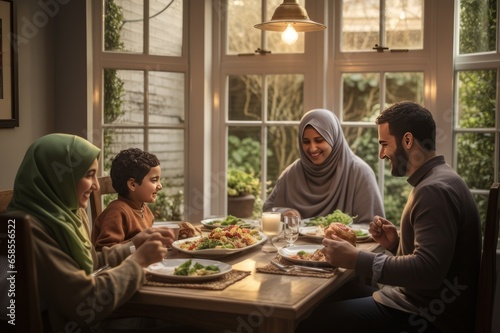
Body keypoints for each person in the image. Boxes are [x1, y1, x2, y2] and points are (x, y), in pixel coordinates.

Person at [296, 101, 481, 333]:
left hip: (428, 316)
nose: (381, 154)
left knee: (313, 322)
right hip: (418, 303)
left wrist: (356, 260)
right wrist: (395, 244)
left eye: (384, 144)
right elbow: (437, 258)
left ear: (407, 140)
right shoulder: (440, 178)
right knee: (331, 295)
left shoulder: (433, 190)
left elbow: (428, 271)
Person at [6, 133, 176, 332]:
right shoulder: (31, 229)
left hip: (96, 316)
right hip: (76, 325)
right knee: (182, 320)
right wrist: (137, 262)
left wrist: (133, 246)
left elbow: (92, 262)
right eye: (88, 175)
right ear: (58, 176)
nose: (96, 185)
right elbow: (86, 304)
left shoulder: (67, 215)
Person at [263, 108, 384, 223]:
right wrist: (285, 213)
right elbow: (268, 210)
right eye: (306, 142)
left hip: (347, 245)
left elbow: (372, 226)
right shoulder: (292, 173)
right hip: (297, 245)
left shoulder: (359, 172)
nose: (312, 148)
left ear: (333, 138)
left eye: (319, 140)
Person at [92, 148, 162, 250]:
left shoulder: (144, 209)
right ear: (132, 184)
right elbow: (103, 251)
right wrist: (138, 243)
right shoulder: (117, 212)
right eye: (154, 180)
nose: (160, 186)